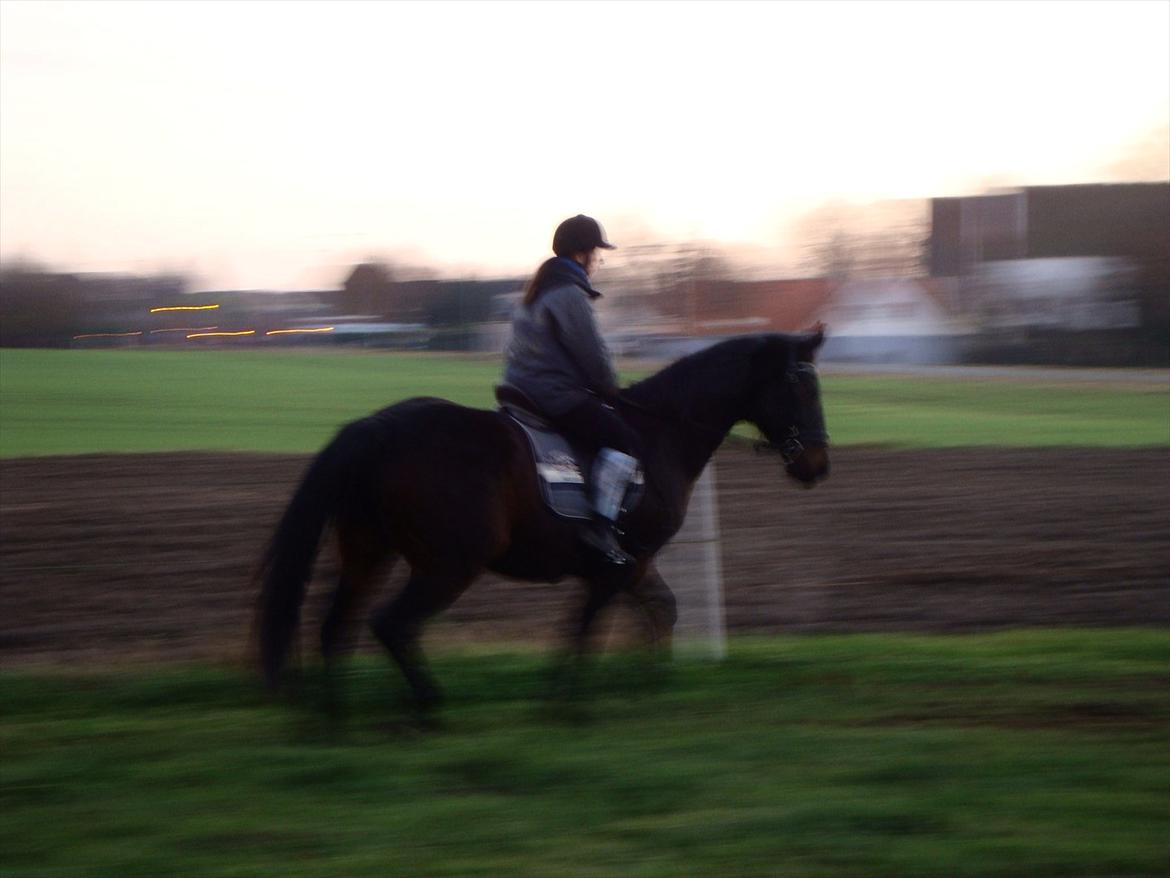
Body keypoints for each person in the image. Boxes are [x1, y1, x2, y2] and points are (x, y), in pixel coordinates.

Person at [501, 214, 641, 566]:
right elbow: (593, 356)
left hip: (521, 390)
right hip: (554, 396)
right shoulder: (568, 293)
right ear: (581, 254)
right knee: (624, 442)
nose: (599, 260)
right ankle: (602, 527)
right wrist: (612, 391)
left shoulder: (538, 289)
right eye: (597, 252)